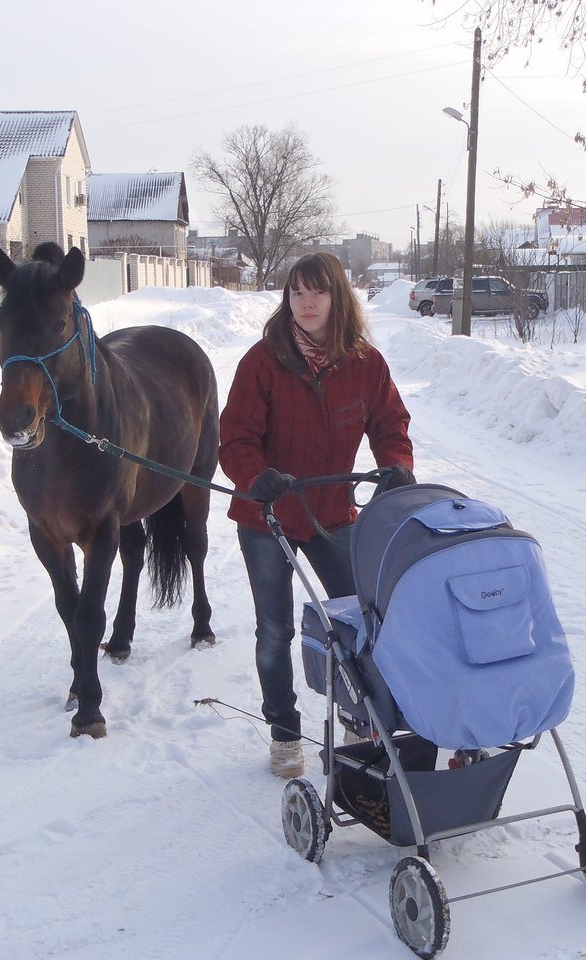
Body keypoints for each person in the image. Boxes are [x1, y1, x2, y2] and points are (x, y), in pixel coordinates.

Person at [219, 253, 415, 778]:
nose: (306, 303)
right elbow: (234, 436)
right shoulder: (262, 362)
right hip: (267, 519)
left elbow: (391, 425)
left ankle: (362, 720)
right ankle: (284, 732)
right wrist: (256, 475)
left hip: (332, 516)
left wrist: (395, 466)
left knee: (359, 622)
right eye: (297, 293)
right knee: (275, 629)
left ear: (337, 298)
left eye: (318, 293)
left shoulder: (365, 365)